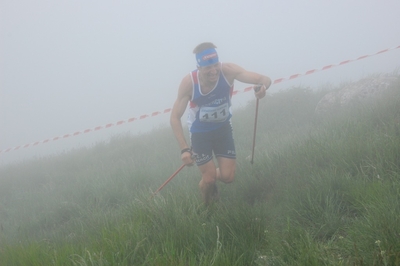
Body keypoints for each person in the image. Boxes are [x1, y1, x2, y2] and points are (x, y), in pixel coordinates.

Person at [170, 42, 271, 205]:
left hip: (223, 128)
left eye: (215, 64)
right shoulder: (189, 83)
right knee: (210, 179)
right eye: (207, 67)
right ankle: (206, 207)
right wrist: (184, 149)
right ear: (199, 67)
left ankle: (205, 179)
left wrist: (262, 88)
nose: (213, 71)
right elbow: (174, 118)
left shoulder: (228, 71)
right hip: (200, 132)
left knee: (228, 177)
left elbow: (263, 79)